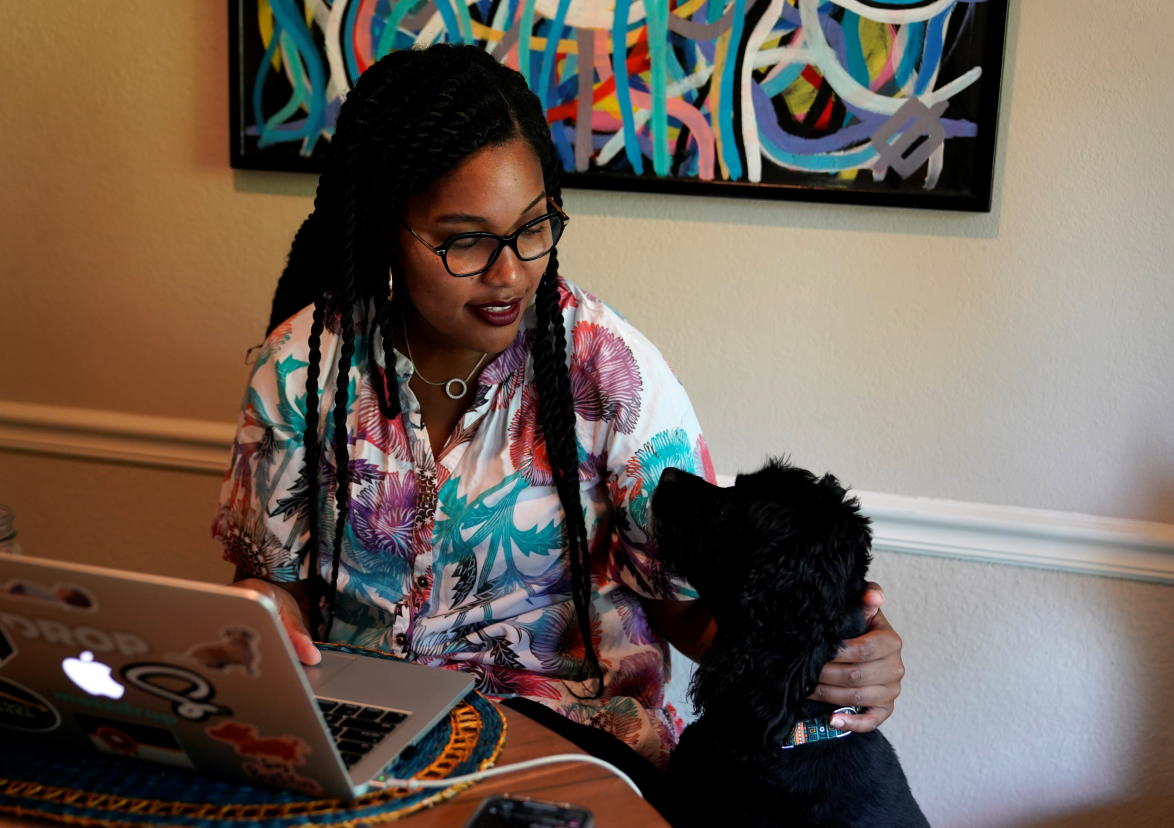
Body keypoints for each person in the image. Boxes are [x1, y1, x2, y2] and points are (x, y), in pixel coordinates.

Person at [213, 43, 904, 798]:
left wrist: (835, 657)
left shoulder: (612, 374)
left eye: (535, 227)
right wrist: (260, 618)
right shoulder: (298, 367)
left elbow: (689, 609)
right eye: (465, 241)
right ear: (386, 230)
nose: (510, 273)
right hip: (364, 741)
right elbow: (274, 584)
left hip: (567, 754)